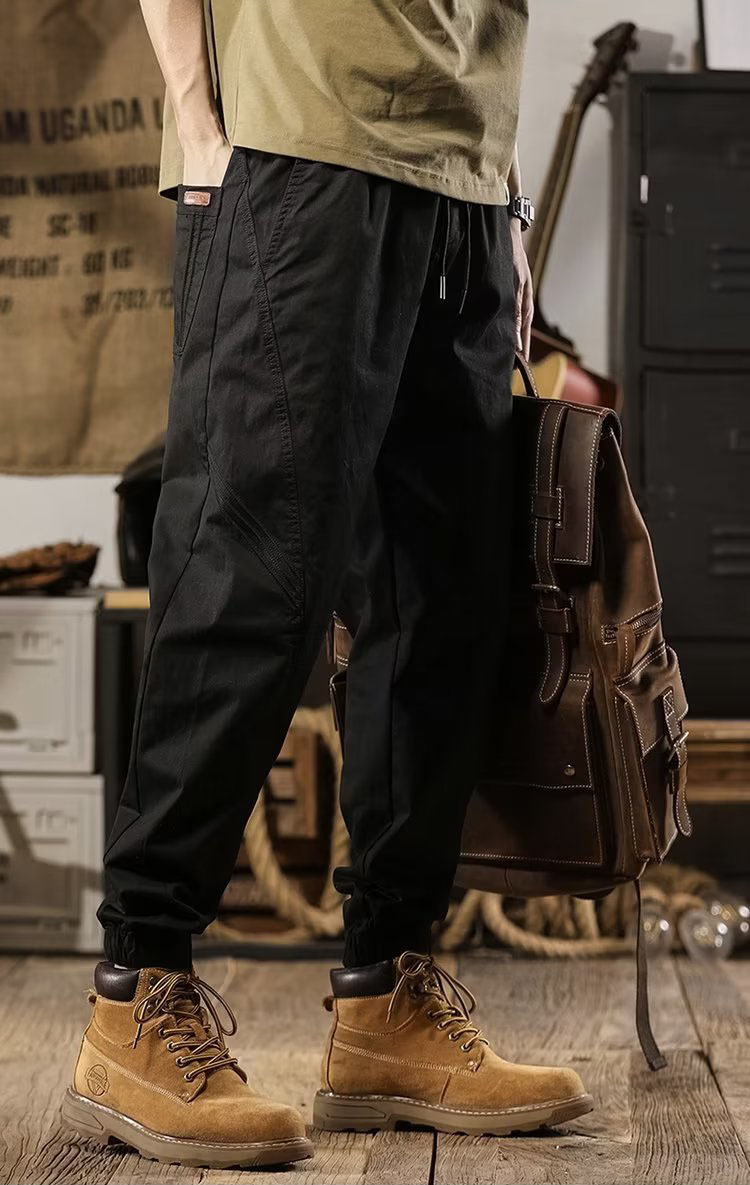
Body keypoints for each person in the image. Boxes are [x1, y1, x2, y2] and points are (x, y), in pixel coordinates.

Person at [64, 0, 592, 1168]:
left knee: (441, 602)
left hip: (461, 177)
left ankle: (386, 999)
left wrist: (500, 187)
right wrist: (202, 124)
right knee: (254, 581)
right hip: (292, 149)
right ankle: (137, 991)